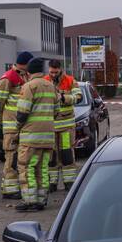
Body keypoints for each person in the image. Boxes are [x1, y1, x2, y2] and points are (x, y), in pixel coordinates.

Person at [15, 58, 57, 211]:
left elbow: (22, 113)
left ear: (28, 71)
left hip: (31, 138)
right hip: (48, 138)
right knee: (42, 168)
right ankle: (41, 199)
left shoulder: (29, 86)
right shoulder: (51, 86)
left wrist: (17, 129)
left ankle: (29, 200)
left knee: (27, 168)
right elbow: (56, 111)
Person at [0, 52, 33, 199]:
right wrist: (2, 118)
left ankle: (15, 187)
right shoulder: (8, 77)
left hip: (20, 124)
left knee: (18, 158)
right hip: (11, 126)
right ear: (26, 63)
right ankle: (9, 190)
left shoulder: (24, 76)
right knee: (11, 157)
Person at [44, 59, 81, 192]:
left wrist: (64, 98)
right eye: (51, 72)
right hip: (50, 127)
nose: (53, 74)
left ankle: (69, 182)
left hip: (66, 126)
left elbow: (79, 97)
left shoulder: (70, 81)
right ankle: (52, 183)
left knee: (67, 154)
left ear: (60, 69)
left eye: (56, 72)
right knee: (51, 156)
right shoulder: (45, 81)